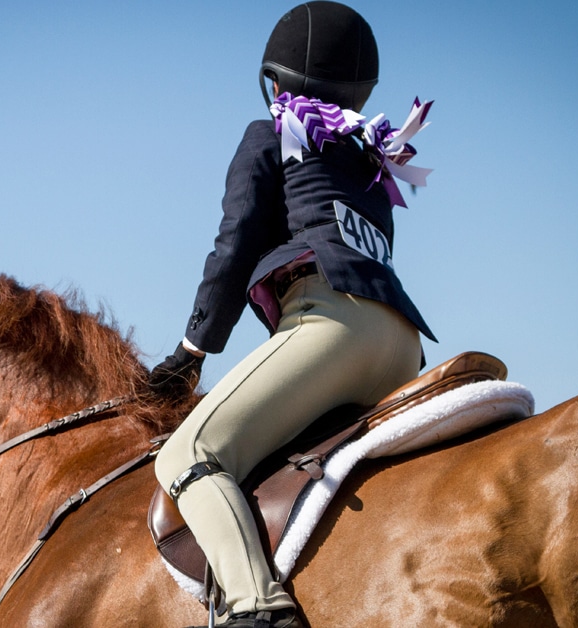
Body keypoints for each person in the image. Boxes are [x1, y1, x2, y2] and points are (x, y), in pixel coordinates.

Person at [149, 3, 437, 627]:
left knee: (187, 455)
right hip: (403, 344)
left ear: (276, 82)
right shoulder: (369, 158)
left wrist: (191, 350)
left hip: (331, 327)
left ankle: (257, 607)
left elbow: (234, 246)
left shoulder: (268, 132)